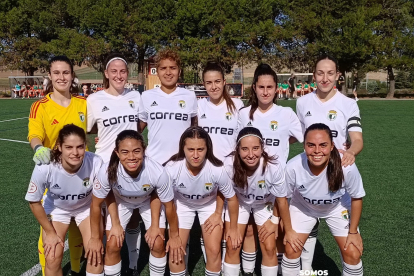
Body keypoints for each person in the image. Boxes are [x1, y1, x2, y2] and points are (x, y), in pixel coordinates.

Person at [295, 54, 363, 272]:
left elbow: (358, 139)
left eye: (330, 73)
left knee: (352, 251)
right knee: (290, 246)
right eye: (320, 73)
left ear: (338, 76)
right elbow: (296, 136)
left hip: (337, 180)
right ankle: (306, 266)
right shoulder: (302, 101)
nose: (325, 78)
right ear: (314, 75)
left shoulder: (348, 104)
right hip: (308, 180)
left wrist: (351, 152)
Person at [88, 130, 184, 276]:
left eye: (136, 151)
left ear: (144, 151)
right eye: (125, 152)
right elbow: (95, 205)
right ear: (117, 153)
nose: (131, 157)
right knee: (113, 243)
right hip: (120, 200)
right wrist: (99, 236)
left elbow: (169, 206)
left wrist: (173, 235)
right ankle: (127, 268)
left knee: (157, 242)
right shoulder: (107, 171)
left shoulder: (157, 171)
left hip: (149, 200)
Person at [237, 64, 303, 275]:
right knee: (248, 228)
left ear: (276, 89)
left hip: (277, 186)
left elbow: (304, 138)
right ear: (254, 88)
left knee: (277, 231)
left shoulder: (286, 113)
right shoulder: (243, 114)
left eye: (270, 87)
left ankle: (283, 268)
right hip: (248, 182)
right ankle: (248, 270)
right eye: (261, 87)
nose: (265, 92)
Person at [28, 55, 86, 276]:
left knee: (78, 226)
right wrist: (37, 148)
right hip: (53, 176)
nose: (62, 77)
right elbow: (34, 134)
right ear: (50, 76)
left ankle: (74, 270)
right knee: (50, 233)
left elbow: (92, 128)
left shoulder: (83, 103)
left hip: (82, 174)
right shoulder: (40, 106)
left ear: (72, 76)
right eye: (57, 73)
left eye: (66, 72)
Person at [282, 123, 365, 276]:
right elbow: (282, 198)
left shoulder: (346, 166)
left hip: (337, 207)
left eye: (323, 145)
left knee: (353, 253)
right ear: (304, 146)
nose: (317, 151)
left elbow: (356, 197)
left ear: (332, 146)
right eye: (311, 145)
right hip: (303, 208)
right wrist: (287, 229)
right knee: (290, 248)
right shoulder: (293, 166)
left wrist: (353, 232)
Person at [87, 52, 143, 274]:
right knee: (103, 214)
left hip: (130, 163)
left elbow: (141, 124)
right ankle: (101, 256)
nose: (119, 75)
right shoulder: (94, 99)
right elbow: (88, 129)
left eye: (122, 71)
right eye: (114, 71)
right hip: (103, 164)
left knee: (131, 213)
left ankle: (132, 263)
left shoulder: (136, 97)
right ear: (106, 74)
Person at [222, 127, 303, 276]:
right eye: (245, 149)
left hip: (265, 204)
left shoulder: (274, 166)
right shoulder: (228, 165)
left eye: (256, 148)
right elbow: (224, 194)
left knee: (269, 247)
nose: (251, 154)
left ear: (262, 148)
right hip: (238, 202)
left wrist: (282, 225)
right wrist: (231, 226)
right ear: (237, 149)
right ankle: (247, 272)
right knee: (233, 245)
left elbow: (282, 200)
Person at [25, 124, 104, 276]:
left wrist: (96, 236)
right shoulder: (45, 166)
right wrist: (50, 232)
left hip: (86, 208)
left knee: (95, 254)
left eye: (80, 147)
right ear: (59, 147)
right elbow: (34, 202)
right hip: (57, 210)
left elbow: (102, 197)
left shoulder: (96, 162)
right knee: (52, 257)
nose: (75, 153)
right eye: (69, 147)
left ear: (85, 146)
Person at [163, 126, 241, 276]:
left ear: (208, 149)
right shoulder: (172, 169)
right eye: (191, 149)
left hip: (209, 206)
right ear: (183, 149)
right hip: (182, 206)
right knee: (175, 252)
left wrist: (225, 220)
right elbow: (169, 203)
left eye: (200, 149)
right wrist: (173, 235)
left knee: (213, 250)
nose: (196, 155)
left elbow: (231, 198)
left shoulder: (217, 169)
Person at [197, 61, 244, 266]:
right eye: (209, 82)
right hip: (207, 173)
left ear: (225, 82)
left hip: (233, 174)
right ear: (204, 84)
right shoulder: (198, 106)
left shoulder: (239, 106)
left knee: (230, 220)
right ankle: (213, 260)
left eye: (217, 81)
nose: (213, 86)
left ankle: (229, 264)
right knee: (210, 223)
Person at [139, 49, 198, 165]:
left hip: (182, 163)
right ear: (157, 72)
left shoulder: (190, 96)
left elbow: (195, 129)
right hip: (154, 163)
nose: (168, 72)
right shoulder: (146, 96)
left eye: (173, 68)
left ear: (179, 71)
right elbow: (136, 130)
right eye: (163, 68)